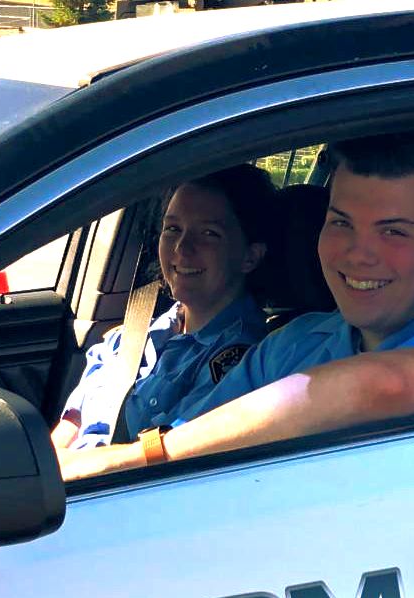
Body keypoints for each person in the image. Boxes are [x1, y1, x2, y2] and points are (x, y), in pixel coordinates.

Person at [57, 130, 414, 480]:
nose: (358, 254)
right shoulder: (296, 342)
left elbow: (387, 387)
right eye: (341, 223)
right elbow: (194, 429)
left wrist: (134, 458)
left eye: (393, 231)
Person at [50, 164, 275, 450]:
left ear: (249, 257)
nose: (182, 247)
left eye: (208, 233)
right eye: (172, 229)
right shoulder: (133, 332)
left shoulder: (244, 364)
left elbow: (162, 462)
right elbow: (72, 423)